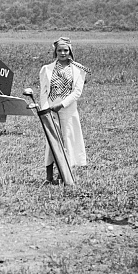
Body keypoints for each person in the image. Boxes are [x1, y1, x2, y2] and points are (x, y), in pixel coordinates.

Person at [37, 36, 88, 184]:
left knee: (68, 141)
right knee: (51, 141)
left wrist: (62, 105)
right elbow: (44, 92)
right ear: (55, 51)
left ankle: (64, 175)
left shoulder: (78, 70)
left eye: (65, 50)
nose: (63, 53)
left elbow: (77, 92)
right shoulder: (46, 69)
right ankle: (48, 177)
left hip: (68, 110)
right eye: (59, 50)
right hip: (50, 111)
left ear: (70, 51)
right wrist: (46, 110)